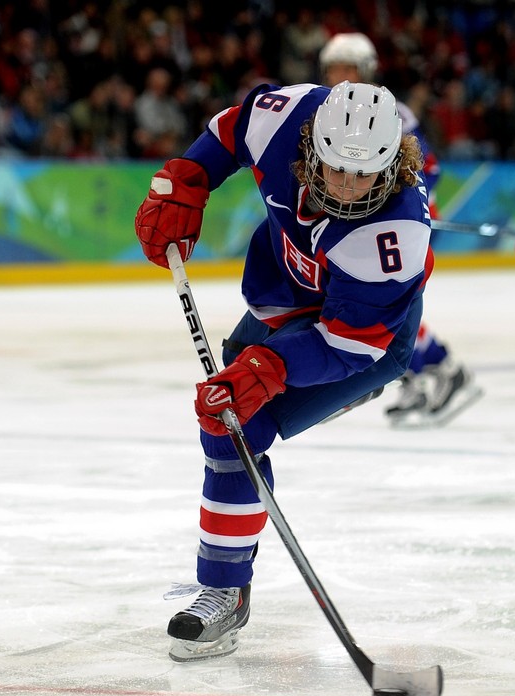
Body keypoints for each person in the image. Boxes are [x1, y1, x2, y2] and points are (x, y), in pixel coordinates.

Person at [134, 80, 432, 660]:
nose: (346, 189)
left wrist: (267, 368)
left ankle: (221, 588)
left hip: (359, 339)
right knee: (228, 421)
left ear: (392, 164)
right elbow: (230, 129)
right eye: (334, 170)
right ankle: (227, 587)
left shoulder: (393, 236)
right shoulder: (285, 117)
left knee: (238, 422)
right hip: (284, 299)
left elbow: (349, 343)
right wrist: (189, 180)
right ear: (311, 145)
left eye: (364, 175)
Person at [318, 31, 481, 428]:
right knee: (379, 304)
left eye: (347, 68)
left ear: (366, 70)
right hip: (367, 224)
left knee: (388, 303)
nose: (339, 76)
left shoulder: (392, 111)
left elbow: (430, 168)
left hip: (402, 225)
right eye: (333, 68)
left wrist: (402, 203)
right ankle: (417, 375)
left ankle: (442, 367)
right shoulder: (327, 108)